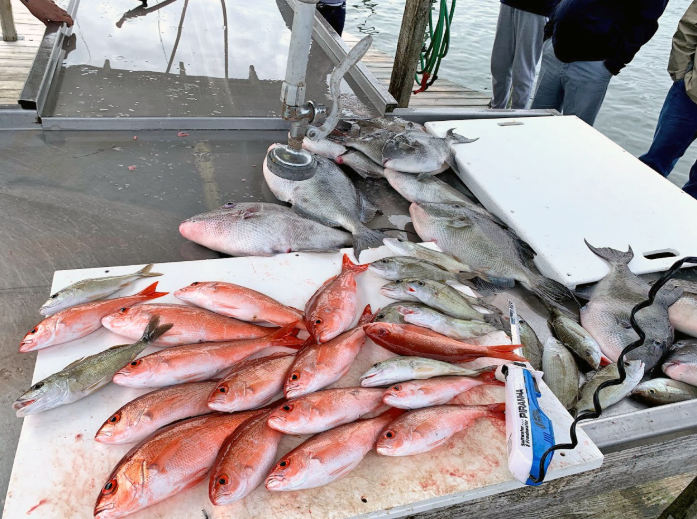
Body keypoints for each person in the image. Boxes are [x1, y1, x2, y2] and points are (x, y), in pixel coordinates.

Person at [531, 0, 668, 126]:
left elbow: (645, 24)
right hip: (554, 51)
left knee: (576, 131)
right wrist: (549, 33)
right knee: (534, 122)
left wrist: (614, 64)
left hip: (593, 64)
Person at [640, 1, 697, 199]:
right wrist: (681, 75)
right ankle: (632, 207)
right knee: (654, 163)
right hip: (689, 95)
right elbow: (689, 28)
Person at [490, 0, 561, 109]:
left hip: (537, 9)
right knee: (498, 65)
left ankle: (518, 114)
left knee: (522, 71)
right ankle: (496, 108)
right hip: (508, 4)